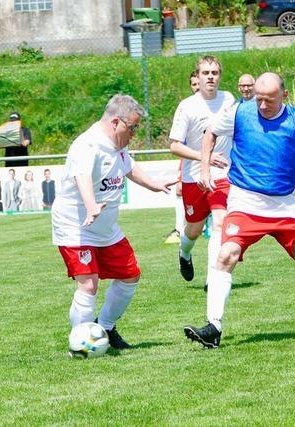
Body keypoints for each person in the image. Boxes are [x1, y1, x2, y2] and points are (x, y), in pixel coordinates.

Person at [183, 72, 295, 348]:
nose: (262, 106)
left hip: (285, 207)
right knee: (226, 255)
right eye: (259, 99)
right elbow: (210, 133)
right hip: (245, 202)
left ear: (284, 95)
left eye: (269, 100)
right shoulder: (239, 111)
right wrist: (203, 168)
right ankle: (213, 328)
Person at [51, 94, 177, 352]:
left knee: (130, 275)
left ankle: (105, 327)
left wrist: (154, 184)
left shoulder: (118, 145)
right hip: (76, 225)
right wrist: (91, 205)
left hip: (106, 228)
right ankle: (80, 343)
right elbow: (81, 176)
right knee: (88, 284)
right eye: (133, 127)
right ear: (116, 122)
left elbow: (129, 167)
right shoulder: (87, 145)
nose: (135, 133)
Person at [169, 55, 236, 290]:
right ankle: (184, 253)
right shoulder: (187, 106)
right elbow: (174, 145)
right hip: (194, 178)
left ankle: (213, 279)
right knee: (194, 229)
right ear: (197, 77)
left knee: (219, 223)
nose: (210, 77)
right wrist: (204, 157)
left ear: (220, 76)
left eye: (214, 73)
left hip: (223, 176)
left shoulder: (229, 99)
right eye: (205, 73)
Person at [165, 70, 201, 244]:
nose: (196, 87)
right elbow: (178, 146)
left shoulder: (222, 104)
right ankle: (180, 230)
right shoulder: (187, 108)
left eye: (198, 83)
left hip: (219, 168)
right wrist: (180, 175)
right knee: (193, 227)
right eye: (193, 84)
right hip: (193, 171)